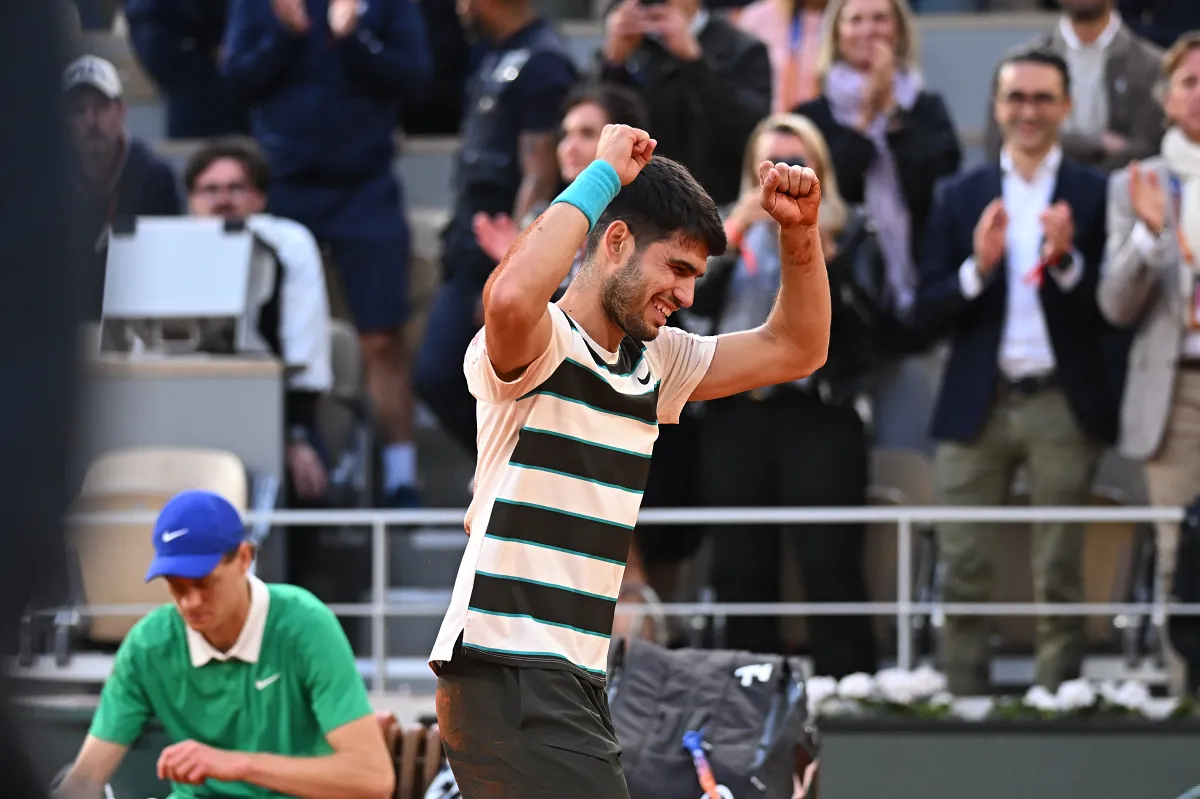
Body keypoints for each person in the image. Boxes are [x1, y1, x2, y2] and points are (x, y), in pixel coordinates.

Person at [429, 123, 831, 797]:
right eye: (677, 268)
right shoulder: (542, 340)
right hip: (508, 663)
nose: (688, 295)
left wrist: (800, 233)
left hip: (571, 675)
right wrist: (601, 175)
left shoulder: (659, 361)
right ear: (616, 242)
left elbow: (797, 348)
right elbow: (508, 296)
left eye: (698, 277)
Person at [915, 49, 1127, 695]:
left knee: (1060, 561)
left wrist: (1065, 260)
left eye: (1042, 98)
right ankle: (963, 696)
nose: (1028, 111)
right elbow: (925, 309)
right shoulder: (960, 194)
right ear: (998, 107)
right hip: (976, 399)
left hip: (1062, 400)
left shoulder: (1096, 192)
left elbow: (1115, 310)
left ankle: (1056, 696)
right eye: (1016, 98)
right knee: (963, 560)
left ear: (1066, 106)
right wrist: (978, 267)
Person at [691, 112, 882, 675]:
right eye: (771, 164)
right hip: (734, 412)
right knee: (739, 565)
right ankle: (749, 696)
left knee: (830, 559)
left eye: (798, 164)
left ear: (821, 169)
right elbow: (689, 309)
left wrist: (828, 255)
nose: (783, 175)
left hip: (817, 412)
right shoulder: (717, 227)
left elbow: (876, 331)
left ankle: (849, 688)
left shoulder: (851, 228)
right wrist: (734, 236)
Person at [52, 490, 395, 799]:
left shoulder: (305, 624)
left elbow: (373, 778)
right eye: (176, 587)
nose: (190, 602)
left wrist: (239, 764)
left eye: (204, 583)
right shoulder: (146, 647)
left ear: (245, 558)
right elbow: (84, 780)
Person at [792, 0, 961, 457]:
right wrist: (867, 122)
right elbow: (827, 190)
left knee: (912, 455)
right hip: (841, 312)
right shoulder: (811, 116)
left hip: (914, 312)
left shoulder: (926, 109)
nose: (869, 30)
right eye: (856, 19)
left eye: (880, 18)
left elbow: (938, 185)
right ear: (836, 33)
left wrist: (894, 114)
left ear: (900, 32)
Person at [1098, 32, 1200, 696]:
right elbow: (1115, 302)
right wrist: (1153, 234)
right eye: (1190, 81)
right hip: (1178, 392)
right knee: (1176, 555)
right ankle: (1187, 699)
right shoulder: (1134, 184)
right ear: (1166, 99)